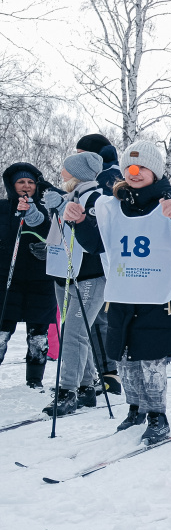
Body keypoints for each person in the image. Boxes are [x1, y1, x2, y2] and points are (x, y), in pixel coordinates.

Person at [67, 140, 171, 443]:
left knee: (152, 357)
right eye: (129, 167)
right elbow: (97, 244)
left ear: (155, 171)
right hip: (123, 291)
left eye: (142, 168)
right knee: (124, 356)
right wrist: (79, 223)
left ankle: (158, 415)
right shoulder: (111, 206)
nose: (134, 173)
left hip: (158, 294)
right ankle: (135, 408)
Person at [40, 152, 109, 415]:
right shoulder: (67, 196)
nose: (61, 172)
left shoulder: (97, 199)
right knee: (73, 331)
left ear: (79, 172)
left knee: (74, 332)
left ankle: (67, 391)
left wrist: (60, 208)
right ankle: (85, 386)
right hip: (64, 273)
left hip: (89, 276)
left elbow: (94, 235)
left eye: (66, 168)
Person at [0, 162, 57, 388]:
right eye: (21, 182)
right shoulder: (3, 207)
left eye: (30, 182)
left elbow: (54, 233)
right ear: (12, 185)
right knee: (3, 329)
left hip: (40, 279)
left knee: (38, 334)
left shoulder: (46, 208)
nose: (26, 186)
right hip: (7, 278)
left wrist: (48, 249)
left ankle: (35, 380)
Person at [75, 133, 123, 393]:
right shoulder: (100, 175)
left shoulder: (108, 176)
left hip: (104, 260)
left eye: (81, 153)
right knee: (94, 320)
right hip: (94, 257)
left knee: (99, 320)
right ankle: (100, 373)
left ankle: (110, 374)